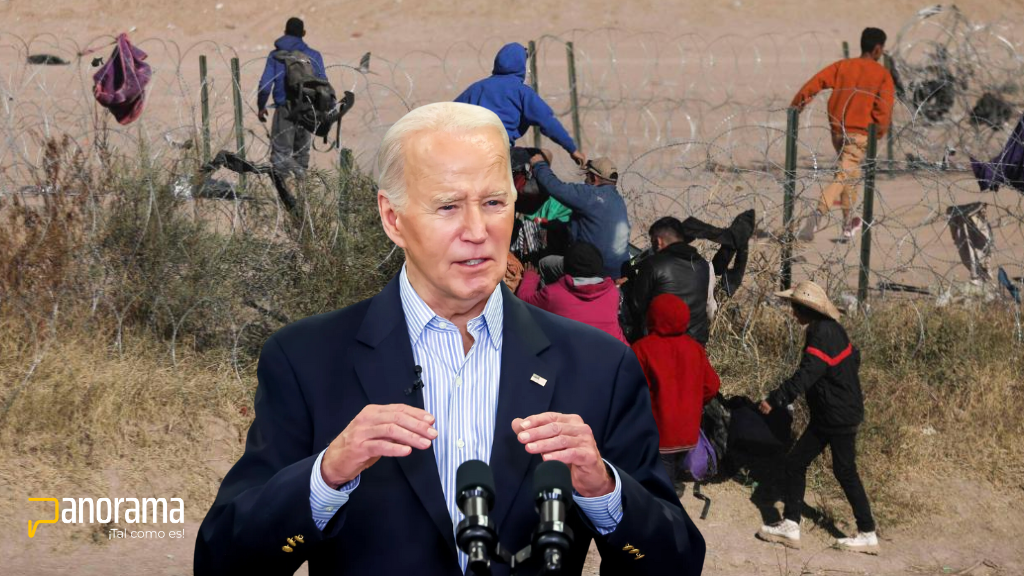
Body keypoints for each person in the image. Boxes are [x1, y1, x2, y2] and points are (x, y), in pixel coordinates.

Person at [194, 102, 705, 575]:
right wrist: (325, 477)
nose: (477, 230)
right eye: (448, 207)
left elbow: (676, 562)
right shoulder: (306, 360)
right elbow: (222, 562)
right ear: (393, 218)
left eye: (494, 202)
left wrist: (605, 493)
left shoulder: (599, 367)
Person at [755, 281, 878, 555]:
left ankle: (864, 532)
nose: (792, 312)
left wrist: (775, 399)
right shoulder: (833, 329)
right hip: (840, 412)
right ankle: (795, 524)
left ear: (805, 310)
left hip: (834, 416)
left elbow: (806, 374)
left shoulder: (819, 333)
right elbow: (853, 358)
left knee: (819, 467)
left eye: (794, 308)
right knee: (811, 465)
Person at [792, 27, 895, 241]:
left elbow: (815, 82)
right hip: (860, 135)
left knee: (850, 174)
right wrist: (877, 133)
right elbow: (884, 110)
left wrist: (797, 104)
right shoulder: (882, 74)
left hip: (838, 133)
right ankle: (816, 216)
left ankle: (848, 224)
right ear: (878, 49)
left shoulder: (843, 66)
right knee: (843, 176)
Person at [631, 294, 720, 490]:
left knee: (661, 481)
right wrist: (693, 403)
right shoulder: (695, 348)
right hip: (688, 429)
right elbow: (712, 385)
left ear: (652, 317)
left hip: (658, 431)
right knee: (669, 469)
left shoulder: (642, 349)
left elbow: (630, 391)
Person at [455, 42, 585, 166]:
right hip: (501, 154)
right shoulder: (522, 92)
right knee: (545, 154)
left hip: (470, 151)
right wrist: (572, 149)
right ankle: (532, 182)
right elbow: (547, 121)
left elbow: (449, 113)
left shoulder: (477, 88)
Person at [529, 151, 631, 283]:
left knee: (544, 264)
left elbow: (555, 187)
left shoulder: (590, 194)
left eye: (587, 176)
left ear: (594, 178)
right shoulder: (618, 201)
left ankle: (546, 295)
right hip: (617, 271)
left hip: (595, 270)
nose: (585, 180)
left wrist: (539, 164)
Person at [516, 242, 628, 344]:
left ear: (565, 267)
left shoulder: (554, 295)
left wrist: (530, 277)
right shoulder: (612, 293)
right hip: (618, 352)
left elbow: (524, 301)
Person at [257, 17, 327, 179]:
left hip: (284, 110)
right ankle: (302, 191)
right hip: (307, 110)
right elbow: (323, 85)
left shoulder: (275, 56)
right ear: (304, 33)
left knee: (280, 156)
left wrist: (261, 106)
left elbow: (265, 85)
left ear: (284, 32)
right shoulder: (314, 55)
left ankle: (283, 192)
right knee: (301, 156)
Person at [629, 217, 716, 347]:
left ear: (658, 242)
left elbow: (637, 305)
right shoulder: (703, 265)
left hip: (661, 343)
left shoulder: (653, 264)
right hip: (695, 344)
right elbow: (708, 305)